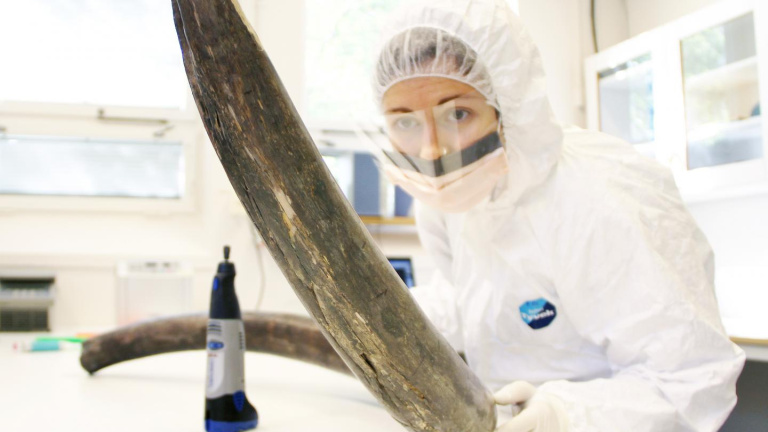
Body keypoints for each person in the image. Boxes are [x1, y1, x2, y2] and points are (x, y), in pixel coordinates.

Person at [368, 0, 746, 431]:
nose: (431, 150)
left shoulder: (600, 196)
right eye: (405, 123)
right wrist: (391, 317)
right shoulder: (452, 203)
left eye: (458, 113)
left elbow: (691, 379)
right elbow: (473, 299)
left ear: (506, 102)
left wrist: (565, 416)